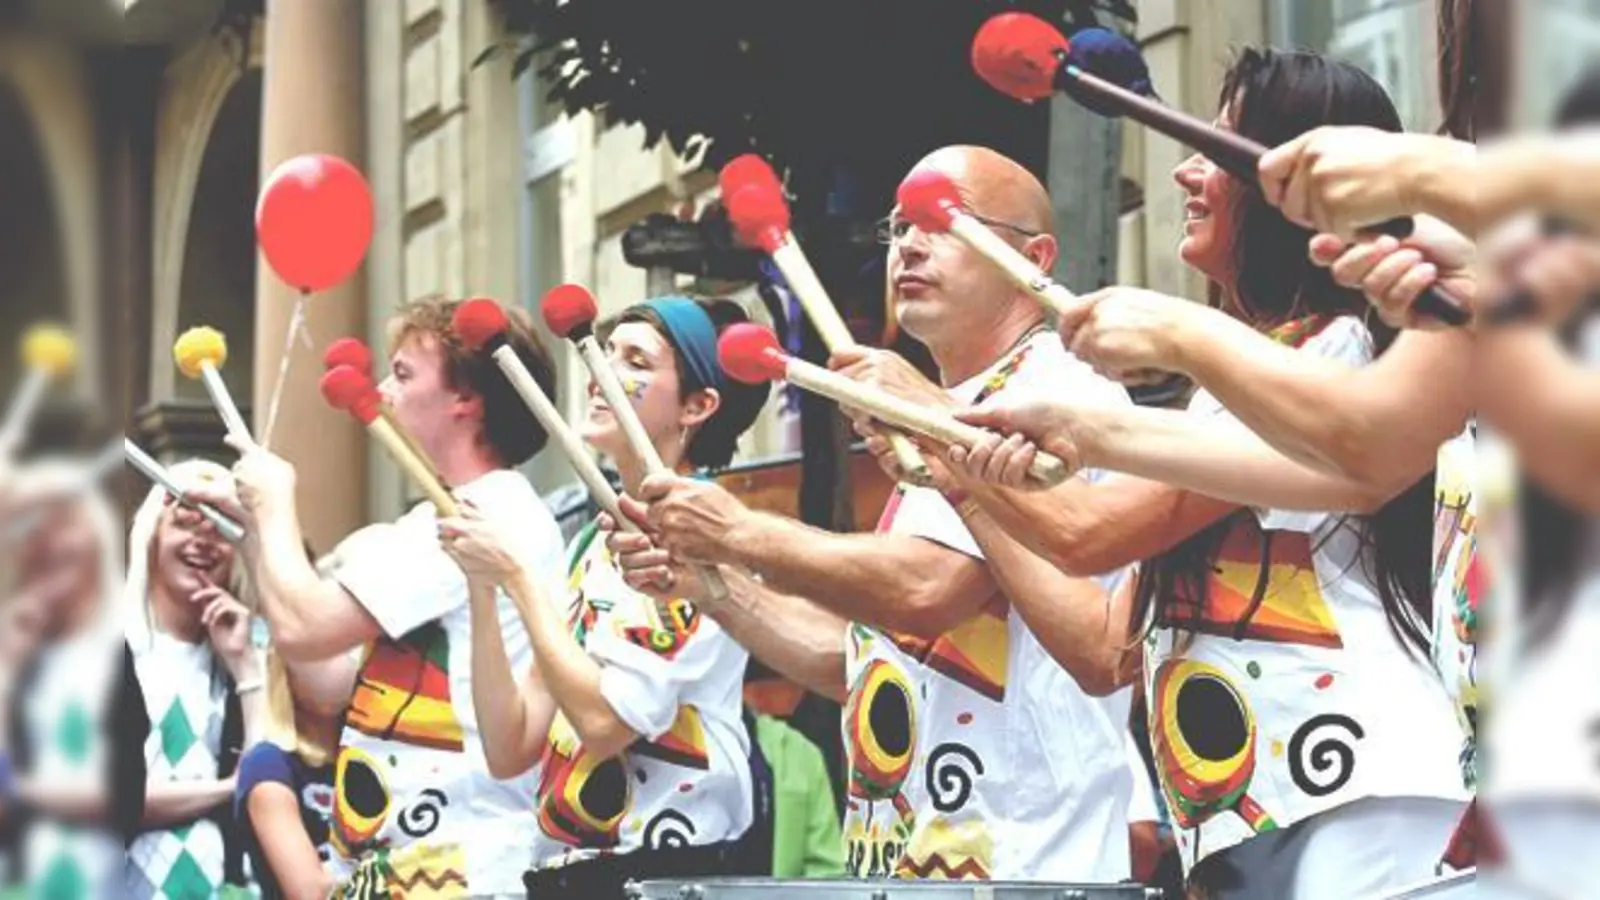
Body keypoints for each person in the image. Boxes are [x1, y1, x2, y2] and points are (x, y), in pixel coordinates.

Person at [940, 49, 1469, 898]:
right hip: (1264, 804)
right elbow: (1104, 645)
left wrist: (937, 434)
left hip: (1354, 787)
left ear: (1301, 188)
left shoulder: (1329, 358)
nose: (1186, 171)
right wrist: (964, 470)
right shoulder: (1254, 377)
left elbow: (1091, 530)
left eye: (1218, 146)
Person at [607, 145, 1139, 882]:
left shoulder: (1055, 392)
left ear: (1035, 256)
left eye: (943, 222)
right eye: (899, 227)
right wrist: (713, 586)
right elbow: (855, 664)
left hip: (1023, 859)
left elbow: (927, 589)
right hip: (912, 865)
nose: (910, 245)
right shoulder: (943, 415)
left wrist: (740, 530)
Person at [190, 297, 569, 898]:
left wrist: (278, 500)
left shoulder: (477, 515)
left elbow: (306, 627)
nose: (383, 391)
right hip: (410, 866)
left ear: (465, 399)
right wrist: (260, 535)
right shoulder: (458, 513)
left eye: (404, 373)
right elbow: (331, 681)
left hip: (460, 866)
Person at [431, 295, 768, 898]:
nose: (602, 373)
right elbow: (510, 745)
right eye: (602, 353)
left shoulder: (705, 543)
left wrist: (517, 579)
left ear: (697, 406)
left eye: (634, 359)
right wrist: (482, 585)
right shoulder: (590, 544)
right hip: (570, 870)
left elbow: (604, 723)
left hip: (668, 872)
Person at [0, 461, 144, 899]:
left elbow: (126, 797)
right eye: (30, 525)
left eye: (64, 521)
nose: (48, 539)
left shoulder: (124, 650)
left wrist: (20, 792)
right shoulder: (14, 657)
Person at [123, 460, 264, 899]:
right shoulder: (107, 646)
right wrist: (226, 789)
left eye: (221, 528)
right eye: (185, 522)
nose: (203, 542)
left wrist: (245, 666)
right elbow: (110, 799)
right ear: (151, 534)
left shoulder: (247, 647)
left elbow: (264, 778)